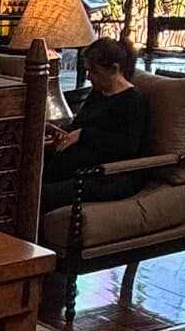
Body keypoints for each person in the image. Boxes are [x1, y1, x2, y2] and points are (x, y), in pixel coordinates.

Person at [40, 38, 150, 217]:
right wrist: (60, 132)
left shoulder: (132, 101)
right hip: (81, 168)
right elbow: (79, 125)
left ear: (114, 69)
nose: (89, 77)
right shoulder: (98, 93)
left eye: (94, 71)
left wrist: (84, 135)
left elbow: (127, 146)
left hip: (108, 175)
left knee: (42, 195)